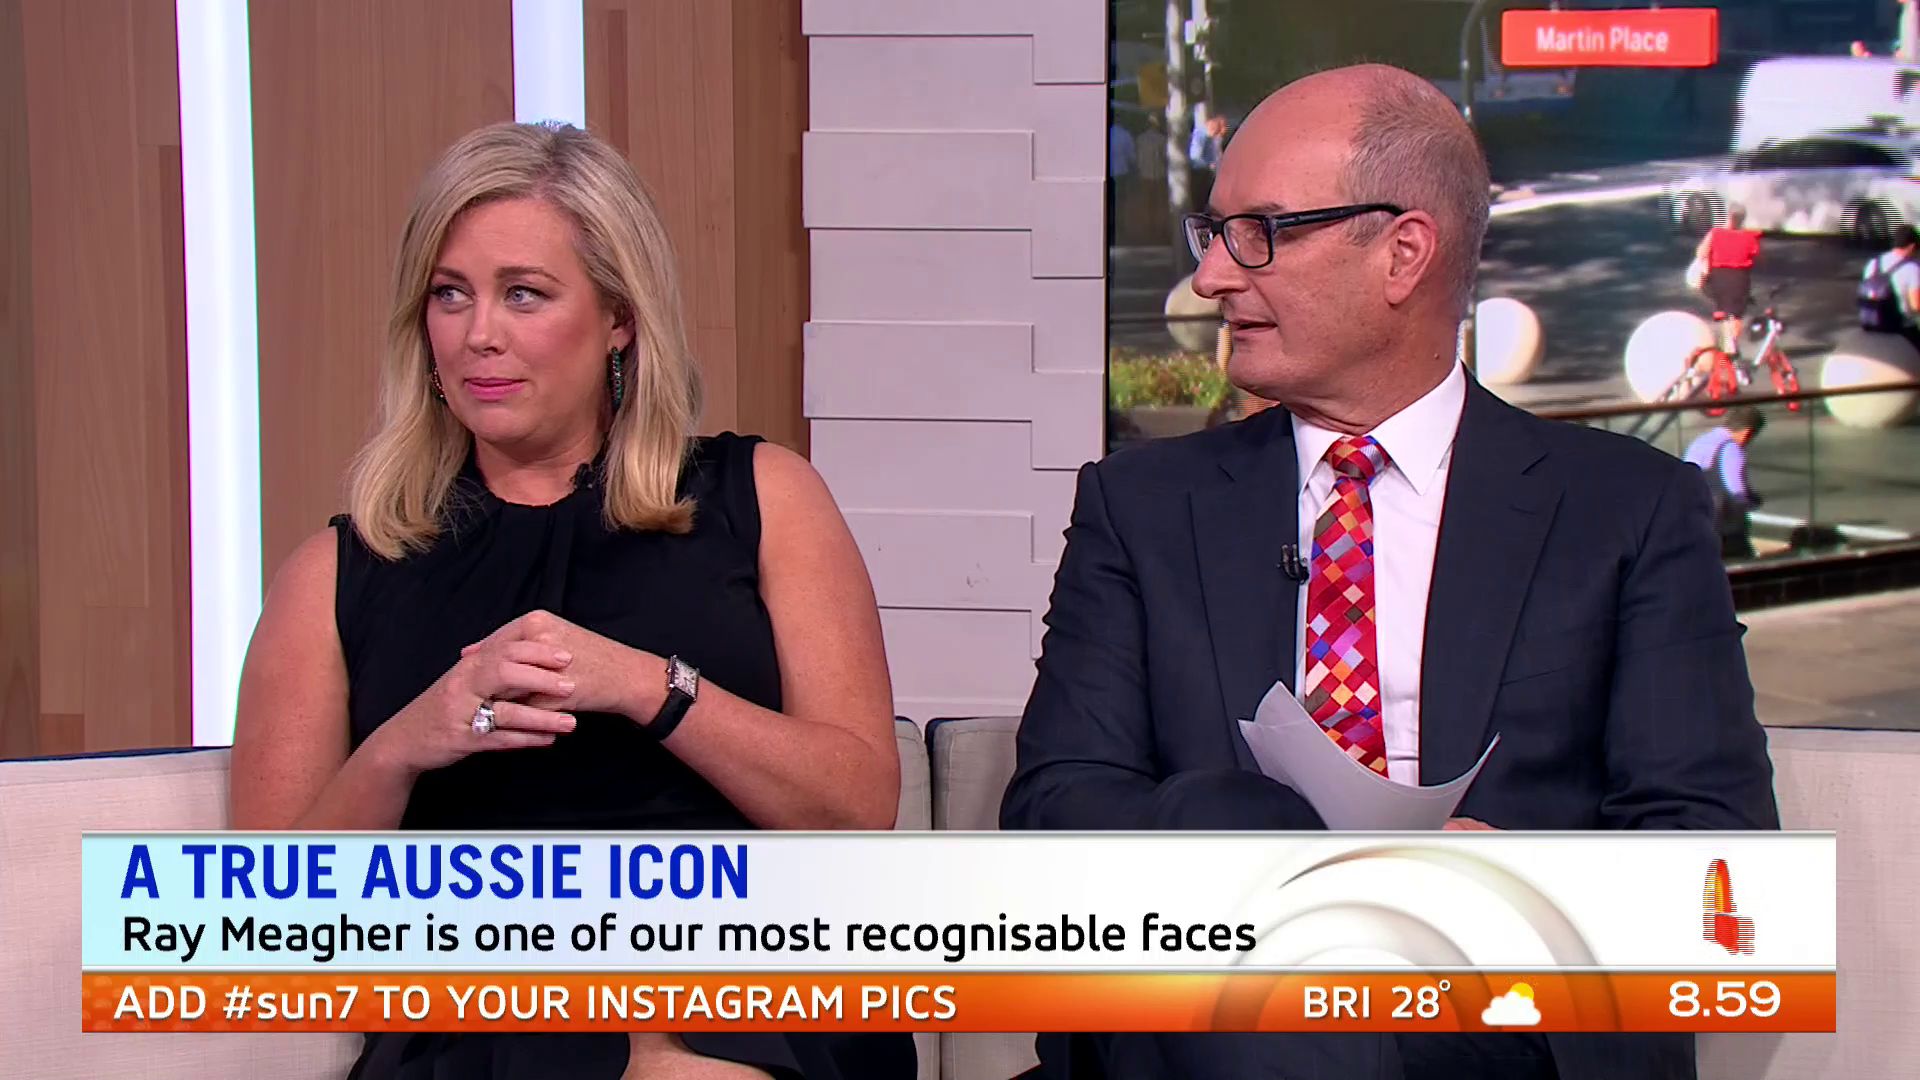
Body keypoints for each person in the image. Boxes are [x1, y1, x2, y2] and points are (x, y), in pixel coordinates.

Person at [1003, 64, 1777, 1080]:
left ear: (1404, 252)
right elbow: (1058, 812)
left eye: (1260, 233)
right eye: (1214, 234)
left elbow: (1718, 863)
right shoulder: (1141, 508)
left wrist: (1485, 891)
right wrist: (1301, 866)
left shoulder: (1627, 510)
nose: (1214, 278)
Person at [228, 121, 915, 1080]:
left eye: (524, 293)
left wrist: (649, 688)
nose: (480, 333)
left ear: (619, 316)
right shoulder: (337, 573)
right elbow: (260, 923)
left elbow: (857, 809)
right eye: (450, 294)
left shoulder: (763, 499)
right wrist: (405, 742)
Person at [1684, 408, 1767, 561]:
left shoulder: (1700, 441)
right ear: (1747, 433)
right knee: (1741, 561)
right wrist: (1751, 502)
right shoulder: (1731, 450)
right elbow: (1737, 492)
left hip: (1694, 520)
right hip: (1724, 526)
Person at [1694, 204, 1761, 357]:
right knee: (1735, 314)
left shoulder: (1716, 233)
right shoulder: (1750, 236)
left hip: (1718, 278)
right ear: (1743, 219)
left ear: (1728, 217)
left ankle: (1727, 343)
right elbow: (1756, 255)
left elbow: (1701, 252)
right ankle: (1731, 344)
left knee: (1724, 310)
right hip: (1739, 279)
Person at [1858, 222, 1920, 347]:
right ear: (1912, 246)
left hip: (1872, 325)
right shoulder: (1912, 268)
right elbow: (1916, 305)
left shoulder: (1874, 263)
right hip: (1900, 329)